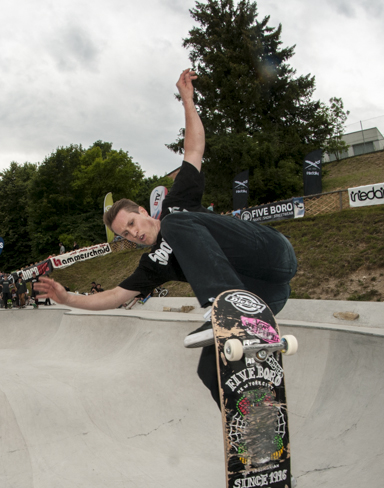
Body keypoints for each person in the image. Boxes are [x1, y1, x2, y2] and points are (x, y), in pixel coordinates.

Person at [35, 69, 298, 406]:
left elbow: (194, 150)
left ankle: (225, 309)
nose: (134, 233)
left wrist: (187, 100)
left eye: (132, 223)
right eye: (126, 234)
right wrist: (68, 298)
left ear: (145, 211)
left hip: (270, 252)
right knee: (211, 366)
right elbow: (116, 295)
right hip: (267, 295)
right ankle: (255, 420)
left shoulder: (176, 205)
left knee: (176, 225)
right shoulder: (153, 264)